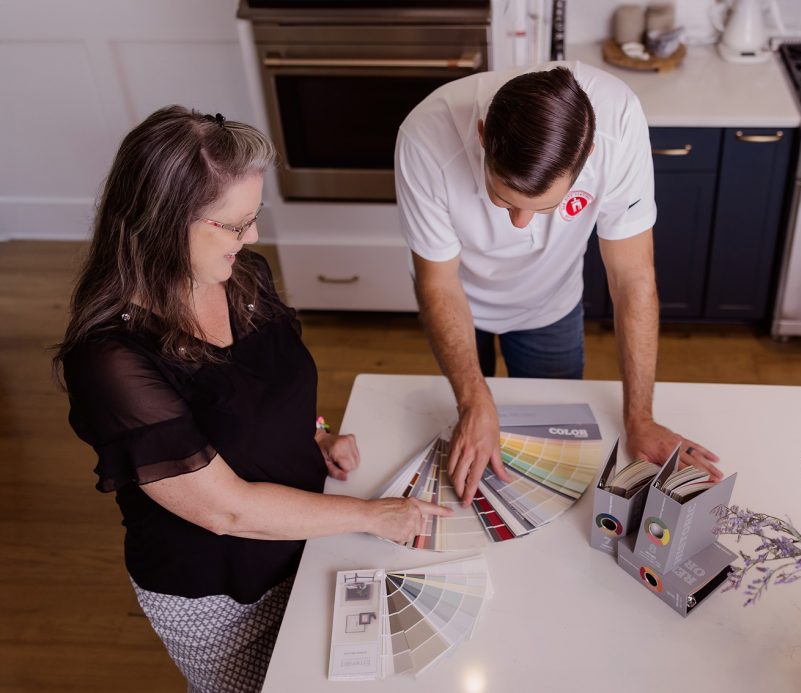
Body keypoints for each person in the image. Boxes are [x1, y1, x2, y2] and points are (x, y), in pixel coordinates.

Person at [53, 106, 450, 693]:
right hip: (222, 595)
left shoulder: (243, 277)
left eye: (253, 217)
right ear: (161, 222)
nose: (253, 237)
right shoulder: (111, 361)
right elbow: (224, 510)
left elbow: (269, 380)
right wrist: (371, 515)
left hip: (304, 537)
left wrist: (311, 433)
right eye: (235, 224)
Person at [395, 63, 722, 506]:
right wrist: (473, 400)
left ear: (586, 156)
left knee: (555, 460)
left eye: (542, 208)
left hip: (552, 305)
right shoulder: (424, 137)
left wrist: (640, 419)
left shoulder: (618, 123)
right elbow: (438, 283)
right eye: (503, 199)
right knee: (471, 423)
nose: (519, 223)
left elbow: (633, 277)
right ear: (481, 134)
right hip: (457, 302)